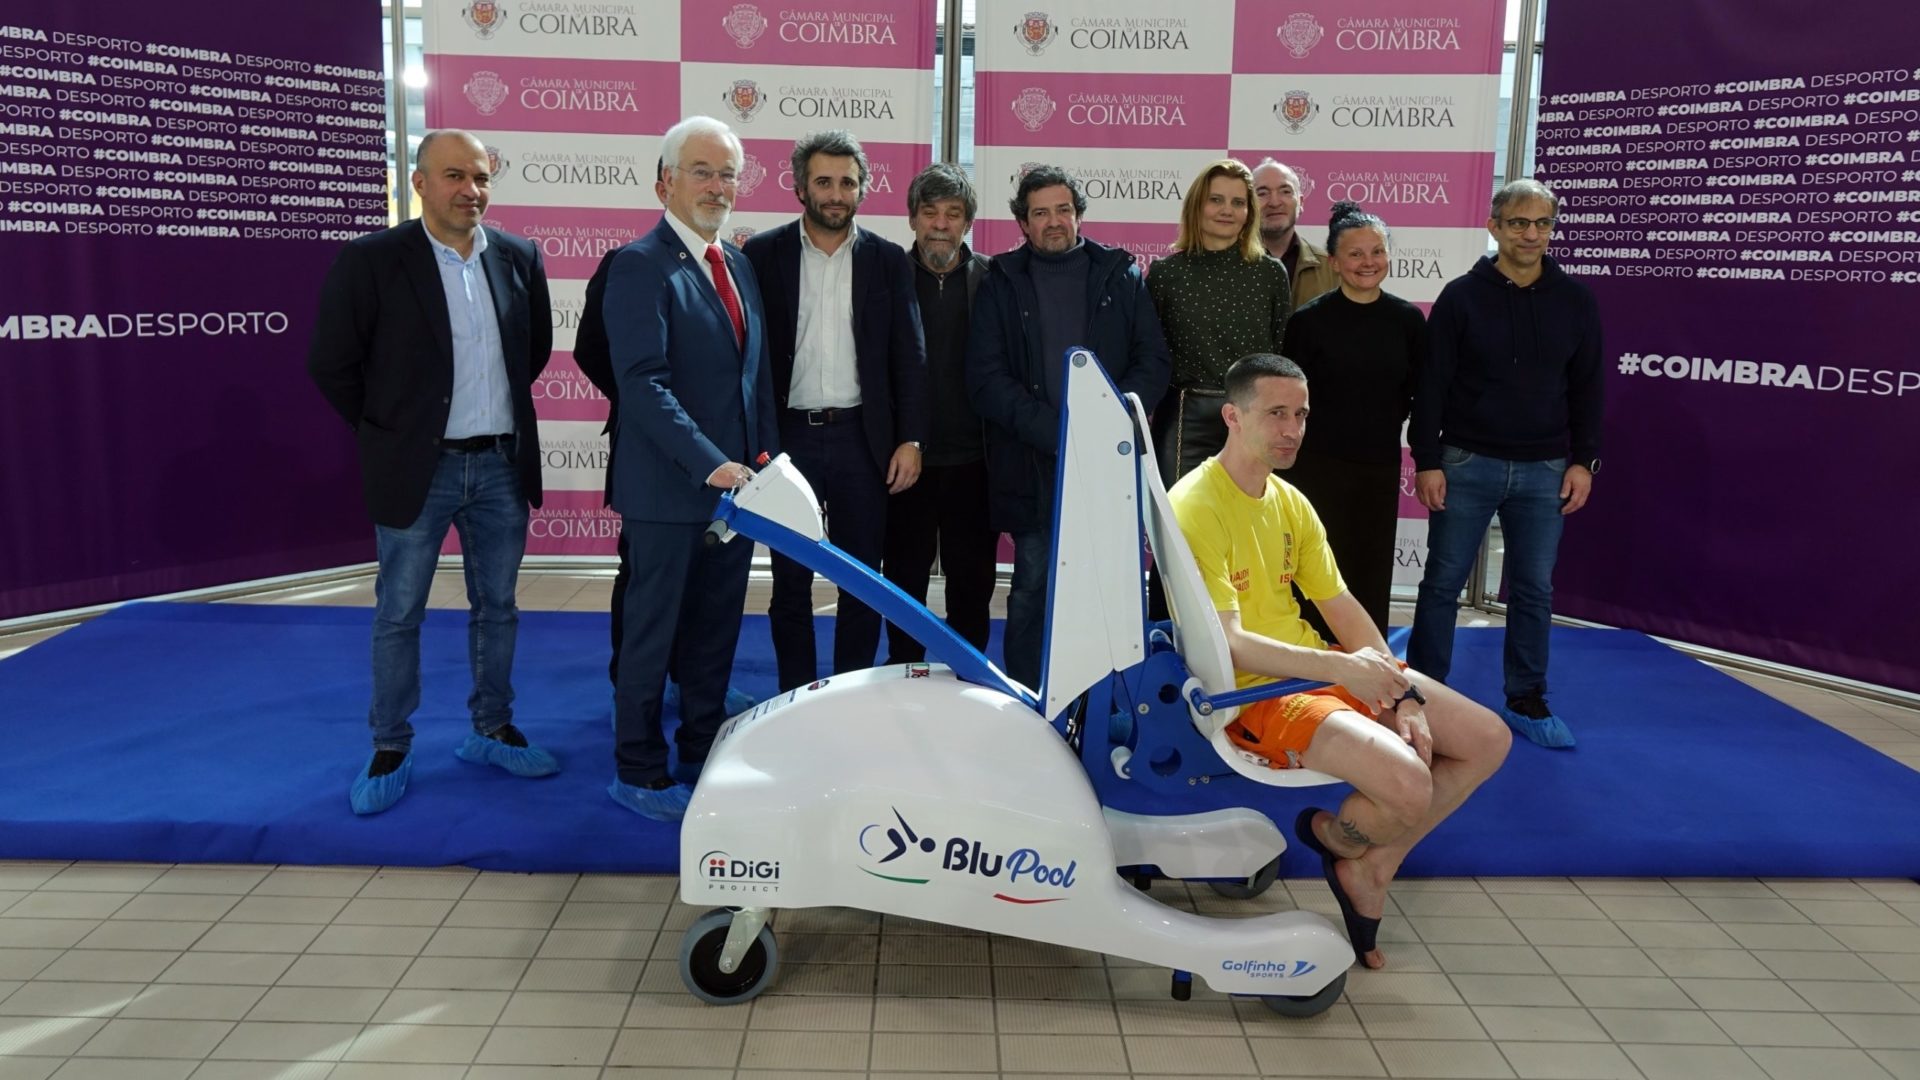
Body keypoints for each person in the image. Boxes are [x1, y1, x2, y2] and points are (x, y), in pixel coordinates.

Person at [1169, 353, 1510, 969]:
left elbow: (1341, 605)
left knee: (1487, 739)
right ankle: (1332, 836)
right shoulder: (1196, 504)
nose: (1293, 428)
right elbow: (1232, 644)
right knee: (1409, 786)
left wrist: (1399, 690)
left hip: (1315, 668)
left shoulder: (1290, 501)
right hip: (1252, 692)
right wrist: (1346, 670)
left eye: (1300, 414)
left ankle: (1372, 864)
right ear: (1231, 416)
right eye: (1276, 413)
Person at [308, 129, 559, 815]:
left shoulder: (518, 257)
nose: (470, 190)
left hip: (501, 465)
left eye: (480, 177)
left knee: (499, 608)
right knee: (399, 613)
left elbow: (529, 351)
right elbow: (333, 364)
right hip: (418, 469)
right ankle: (391, 743)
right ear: (419, 182)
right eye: (454, 175)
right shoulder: (372, 260)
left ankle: (492, 728)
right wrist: (392, 431)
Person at [601, 115, 779, 821]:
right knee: (652, 639)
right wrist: (713, 465)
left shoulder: (733, 262)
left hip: (732, 495)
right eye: (701, 171)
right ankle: (638, 771)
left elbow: (753, 376)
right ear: (665, 180)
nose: (717, 185)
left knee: (715, 632)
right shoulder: (639, 265)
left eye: (728, 172)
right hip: (669, 493)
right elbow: (642, 383)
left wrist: (762, 460)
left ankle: (704, 752)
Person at [1408, 179, 1603, 749]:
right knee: (1442, 583)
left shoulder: (1576, 300)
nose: (1531, 234)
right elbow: (1432, 387)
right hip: (1466, 462)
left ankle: (1526, 698)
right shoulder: (1461, 297)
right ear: (1494, 227)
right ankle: (1421, 693)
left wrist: (1584, 461)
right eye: (1519, 222)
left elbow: (1589, 389)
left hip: (1545, 469)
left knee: (1535, 590)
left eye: (1542, 223)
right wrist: (1427, 460)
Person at [967, 164, 1171, 689]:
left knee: (1110, 588)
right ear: (1023, 223)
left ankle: (1107, 697)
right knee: (1033, 583)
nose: (1054, 221)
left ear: (1079, 215)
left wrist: (1107, 427)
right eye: (1041, 213)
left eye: (1063, 210)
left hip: (1108, 466)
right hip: (1034, 465)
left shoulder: (1121, 273)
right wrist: (1060, 434)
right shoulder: (1001, 281)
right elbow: (987, 380)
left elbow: (1152, 361)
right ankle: (1026, 701)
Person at [744, 130, 928, 690]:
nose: (836, 193)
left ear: (862, 189)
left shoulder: (887, 260)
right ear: (801, 186)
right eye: (824, 181)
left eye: (848, 182)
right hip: (788, 442)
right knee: (790, 581)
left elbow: (910, 357)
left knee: (861, 580)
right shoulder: (761, 254)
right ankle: (797, 695)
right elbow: (749, 357)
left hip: (861, 440)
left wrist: (911, 438)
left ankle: (850, 693)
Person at [1284, 201, 1426, 637]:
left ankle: (1369, 668)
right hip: (1316, 468)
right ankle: (1309, 672)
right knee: (1313, 573)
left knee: (1370, 569)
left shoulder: (1407, 320)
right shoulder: (1308, 321)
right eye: (1356, 254)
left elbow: (1419, 394)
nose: (1368, 262)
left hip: (1378, 465)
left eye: (1377, 252)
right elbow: (1292, 400)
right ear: (1334, 262)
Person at [882, 162, 997, 662]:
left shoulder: (996, 281)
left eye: (953, 214)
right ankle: (904, 671)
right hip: (904, 461)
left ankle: (970, 677)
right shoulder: (885, 280)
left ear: (968, 222)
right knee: (902, 579)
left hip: (976, 463)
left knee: (972, 583)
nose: (941, 224)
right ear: (912, 220)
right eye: (930, 213)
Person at [1146, 158, 1292, 486]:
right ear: (1197, 205)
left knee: (1245, 527)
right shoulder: (1166, 274)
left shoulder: (1269, 273)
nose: (1227, 210)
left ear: (1249, 212)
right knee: (1179, 530)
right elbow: (1149, 354)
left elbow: (1277, 351)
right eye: (1216, 199)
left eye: (1238, 202)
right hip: (1184, 420)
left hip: (1249, 418)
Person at [1251, 159, 1338, 309]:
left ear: (1301, 203)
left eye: (1285, 191)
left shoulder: (1331, 269)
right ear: (1248, 204)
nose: (1275, 202)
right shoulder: (1229, 264)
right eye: (1262, 193)